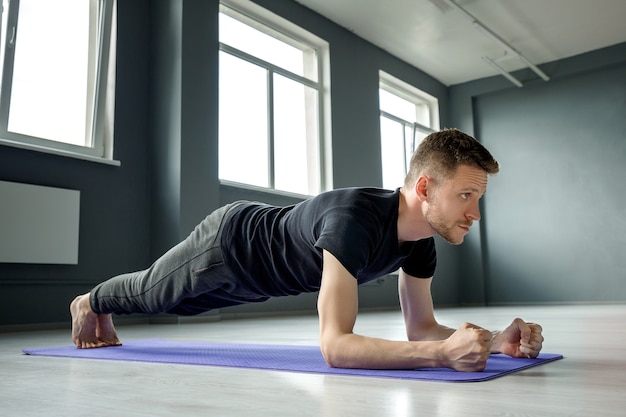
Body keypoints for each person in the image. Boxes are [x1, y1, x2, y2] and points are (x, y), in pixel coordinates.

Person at [70, 128, 543, 372]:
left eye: (478, 199)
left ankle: (104, 303)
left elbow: (421, 328)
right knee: (155, 295)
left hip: (258, 283)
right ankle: (89, 301)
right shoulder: (355, 220)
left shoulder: (420, 243)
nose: (475, 213)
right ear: (424, 187)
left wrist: (498, 339)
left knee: (182, 309)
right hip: (230, 245)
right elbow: (335, 347)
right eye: (466, 196)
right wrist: (441, 357)